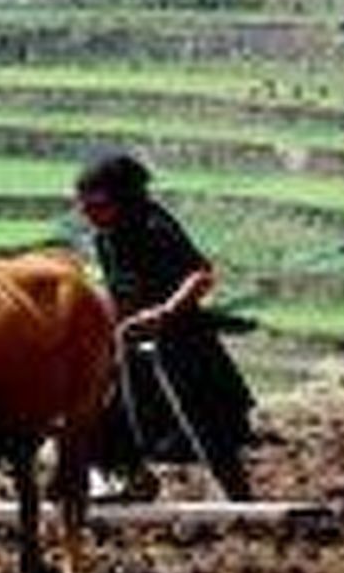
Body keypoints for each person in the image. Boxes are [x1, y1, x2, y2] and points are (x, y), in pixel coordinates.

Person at [75, 152, 256, 501]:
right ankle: (128, 479)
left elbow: (200, 275)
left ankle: (238, 496)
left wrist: (164, 311)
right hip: (133, 340)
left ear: (123, 200)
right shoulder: (105, 238)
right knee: (106, 411)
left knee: (204, 422)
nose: (89, 214)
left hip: (181, 339)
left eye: (97, 205)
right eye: (84, 206)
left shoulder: (154, 227)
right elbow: (121, 292)